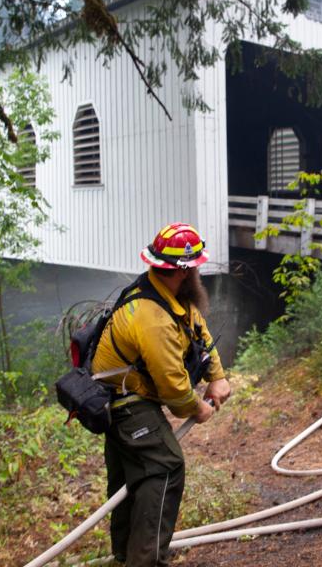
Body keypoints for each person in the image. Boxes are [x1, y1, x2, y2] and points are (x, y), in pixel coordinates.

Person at [91, 222, 231, 567]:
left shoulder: (168, 295)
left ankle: (125, 556)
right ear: (185, 271)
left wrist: (217, 376)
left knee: (133, 477)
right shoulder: (152, 317)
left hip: (128, 399)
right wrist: (197, 408)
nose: (198, 271)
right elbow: (173, 389)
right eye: (195, 266)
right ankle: (145, 562)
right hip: (124, 404)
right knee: (165, 466)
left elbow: (198, 331)